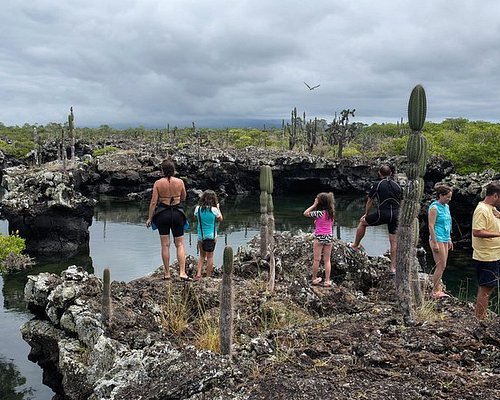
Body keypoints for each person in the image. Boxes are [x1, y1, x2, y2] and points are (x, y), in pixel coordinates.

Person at [349, 164, 402, 274]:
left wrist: (366, 214)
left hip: (383, 213)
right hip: (397, 214)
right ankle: (393, 268)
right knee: (393, 241)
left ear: (379, 173)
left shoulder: (377, 185)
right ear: (391, 173)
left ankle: (355, 245)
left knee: (363, 223)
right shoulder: (397, 185)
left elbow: (370, 201)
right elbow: (402, 202)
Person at [146, 159, 189, 281]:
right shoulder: (180, 182)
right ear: (174, 170)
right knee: (179, 244)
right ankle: (182, 272)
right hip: (177, 214)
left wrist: (150, 218)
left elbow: (154, 202)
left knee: (165, 245)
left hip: (163, 214)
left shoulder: (158, 183)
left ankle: (167, 273)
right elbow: (184, 197)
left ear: (162, 171)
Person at [472, 181, 500, 319]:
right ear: (495, 195)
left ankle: (482, 315)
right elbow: (477, 231)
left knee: (490, 287)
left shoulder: (491, 209)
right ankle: (480, 318)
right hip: (486, 256)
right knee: (486, 288)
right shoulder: (482, 209)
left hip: (494, 255)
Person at [303, 192, 335, 287]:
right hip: (329, 237)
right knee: (327, 260)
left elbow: (305, 213)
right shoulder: (331, 213)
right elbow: (329, 225)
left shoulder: (319, 213)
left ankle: (314, 278)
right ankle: (327, 280)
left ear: (319, 202)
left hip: (319, 237)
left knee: (317, 259)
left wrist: (314, 205)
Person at [428, 184, 453, 299]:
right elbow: (431, 226)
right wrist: (434, 242)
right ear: (440, 196)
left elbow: (448, 223)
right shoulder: (434, 208)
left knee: (443, 265)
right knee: (440, 265)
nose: (449, 199)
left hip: (444, 238)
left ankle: (438, 288)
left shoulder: (446, 207)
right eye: (447, 197)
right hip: (437, 238)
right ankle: (435, 291)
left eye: (450, 197)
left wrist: (449, 239)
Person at [194, 190, 223, 280]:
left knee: (202, 256)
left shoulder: (198, 209)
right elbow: (220, 219)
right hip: (211, 236)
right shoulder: (214, 210)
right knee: (210, 256)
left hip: (200, 235)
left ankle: (198, 274)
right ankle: (208, 276)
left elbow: (195, 217)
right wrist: (218, 208)